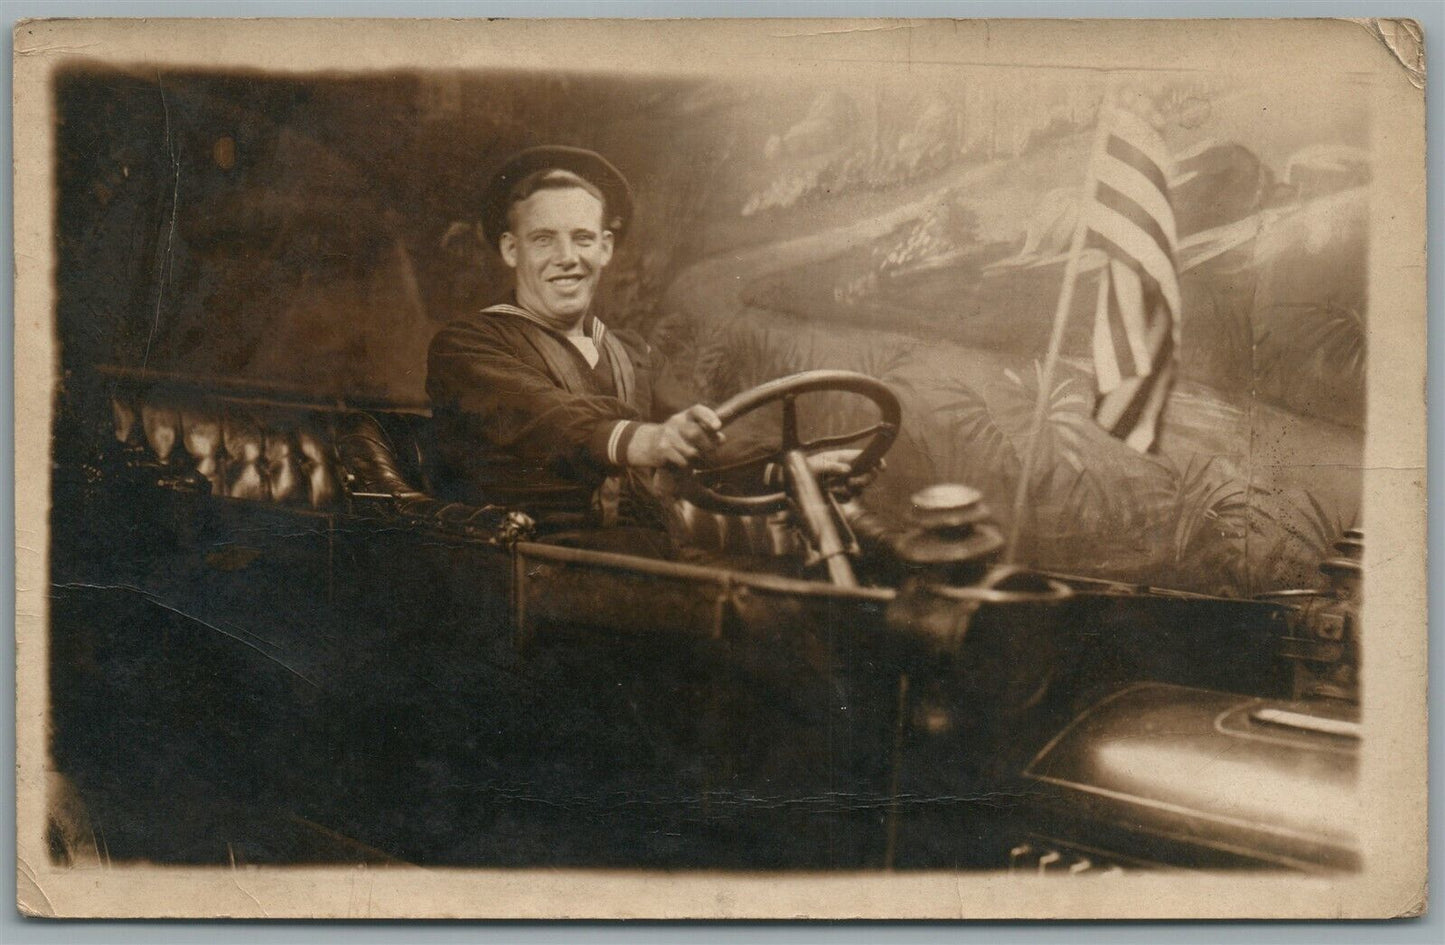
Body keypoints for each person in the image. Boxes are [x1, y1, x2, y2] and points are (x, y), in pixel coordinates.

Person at [426, 146, 859, 546]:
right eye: (543, 239)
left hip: (638, 553)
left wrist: (786, 466)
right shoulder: (469, 348)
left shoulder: (627, 351)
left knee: (848, 545)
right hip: (533, 563)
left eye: (582, 238)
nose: (566, 257)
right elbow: (549, 418)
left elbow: (690, 426)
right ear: (510, 249)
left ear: (605, 248)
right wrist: (646, 440)